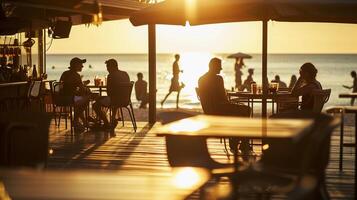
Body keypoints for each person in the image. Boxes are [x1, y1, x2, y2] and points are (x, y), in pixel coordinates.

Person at [198, 57, 252, 156]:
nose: (221, 69)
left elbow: (211, 97)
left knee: (240, 110)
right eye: (219, 66)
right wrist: (233, 103)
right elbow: (223, 98)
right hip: (220, 109)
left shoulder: (201, 79)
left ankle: (235, 139)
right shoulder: (218, 79)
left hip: (210, 111)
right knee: (246, 109)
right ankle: (241, 142)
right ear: (214, 66)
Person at [93, 59, 130, 128]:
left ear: (113, 67)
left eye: (108, 67)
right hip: (125, 100)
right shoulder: (125, 74)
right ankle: (113, 120)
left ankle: (106, 123)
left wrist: (100, 98)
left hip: (114, 100)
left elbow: (109, 93)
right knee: (110, 99)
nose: (107, 69)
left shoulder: (111, 76)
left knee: (95, 105)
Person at [60, 57, 90, 132]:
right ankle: (76, 120)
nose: (82, 66)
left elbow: (64, 86)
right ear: (76, 65)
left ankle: (84, 121)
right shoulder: (76, 75)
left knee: (80, 100)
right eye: (81, 64)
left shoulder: (65, 73)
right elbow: (82, 89)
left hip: (60, 99)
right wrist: (86, 89)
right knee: (86, 99)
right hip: (70, 99)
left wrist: (81, 86)